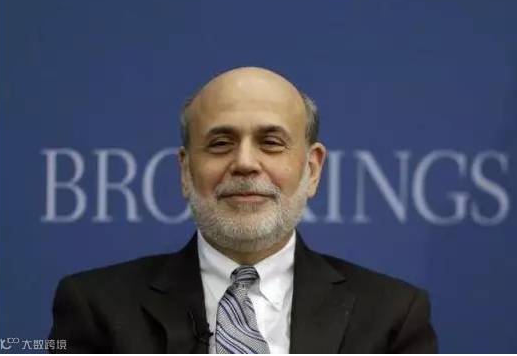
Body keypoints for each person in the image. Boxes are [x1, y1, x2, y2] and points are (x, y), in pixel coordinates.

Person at [49, 67, 438, 353]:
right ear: (185, 170)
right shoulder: (95, 308)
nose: (245, 163)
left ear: (313, 169)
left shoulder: (392, 316)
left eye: (271, 142)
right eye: (220, 143)